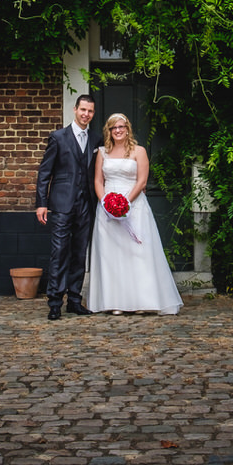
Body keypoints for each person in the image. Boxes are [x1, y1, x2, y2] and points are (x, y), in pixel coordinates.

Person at [85, 113, 183, 315]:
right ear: (109, 131)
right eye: (113, 128)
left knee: (138, 254)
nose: (118, 130)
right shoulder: (102, 153)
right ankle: (116, 302)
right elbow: (98, 181)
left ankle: (142, 302)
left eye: (121, 127)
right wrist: (106, 203)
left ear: (127, 128)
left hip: (134, 206)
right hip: (106, 210)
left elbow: (142, 182)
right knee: (111, 256)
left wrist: (123, 203)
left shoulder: (139, 151)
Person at [35, 94, 100, 321]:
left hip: (86, 205)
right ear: (75, 110)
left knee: (79, 254)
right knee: (59, 252)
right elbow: (45, 173)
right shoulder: (58, 137)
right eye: (83, 110)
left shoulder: (96, 139)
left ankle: (74, 300)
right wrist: (41, 204)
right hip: (62, 204)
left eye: (90, 111)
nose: (86, 114)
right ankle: (55, 302)